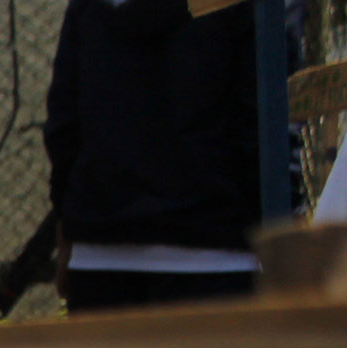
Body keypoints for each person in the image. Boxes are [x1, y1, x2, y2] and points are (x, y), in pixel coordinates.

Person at [43, 0, 271, 312]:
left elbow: (64, 125)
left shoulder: (88, 7)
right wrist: (275, 229)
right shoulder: (240, 7)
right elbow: (263, 123)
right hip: (216, 255)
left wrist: (68, 228)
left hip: (102, 256)